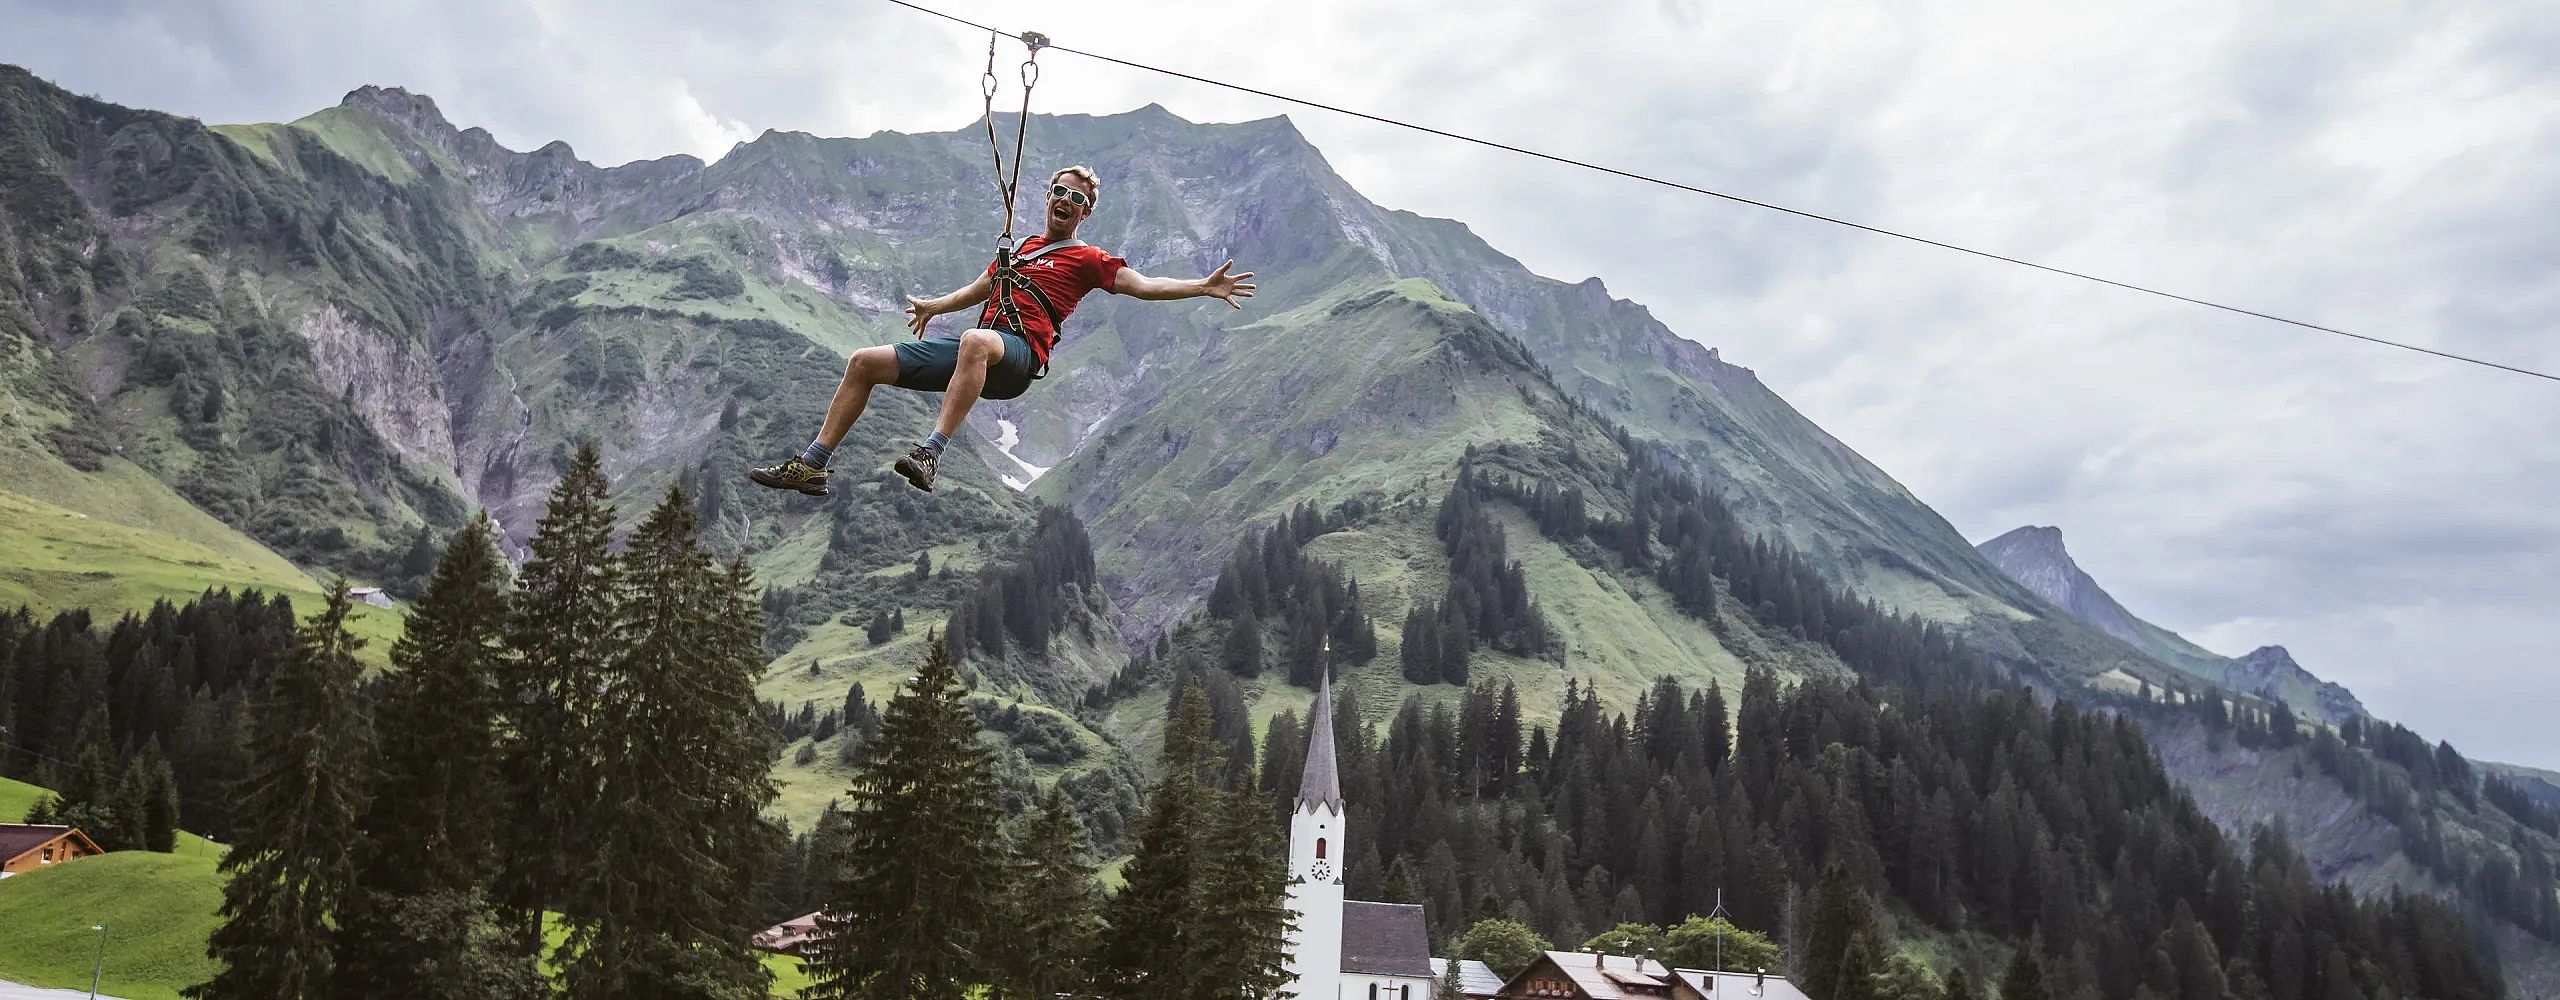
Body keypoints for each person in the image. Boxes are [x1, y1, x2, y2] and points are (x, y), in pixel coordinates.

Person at [748, 165, 1254, 495]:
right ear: (1047, 198)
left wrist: (1200, 287)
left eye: (1074, 198)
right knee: (863, 362)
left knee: (974, 339)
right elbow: (978, 289)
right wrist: (932, 307)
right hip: (979, 352)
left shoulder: (1088, 259)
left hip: (1016, 358)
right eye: (1058, 191)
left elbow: (1142, 286)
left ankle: (931, 453)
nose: (1064, 200)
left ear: (1085, 211)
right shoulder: (1021, 248)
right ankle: (813, 465)